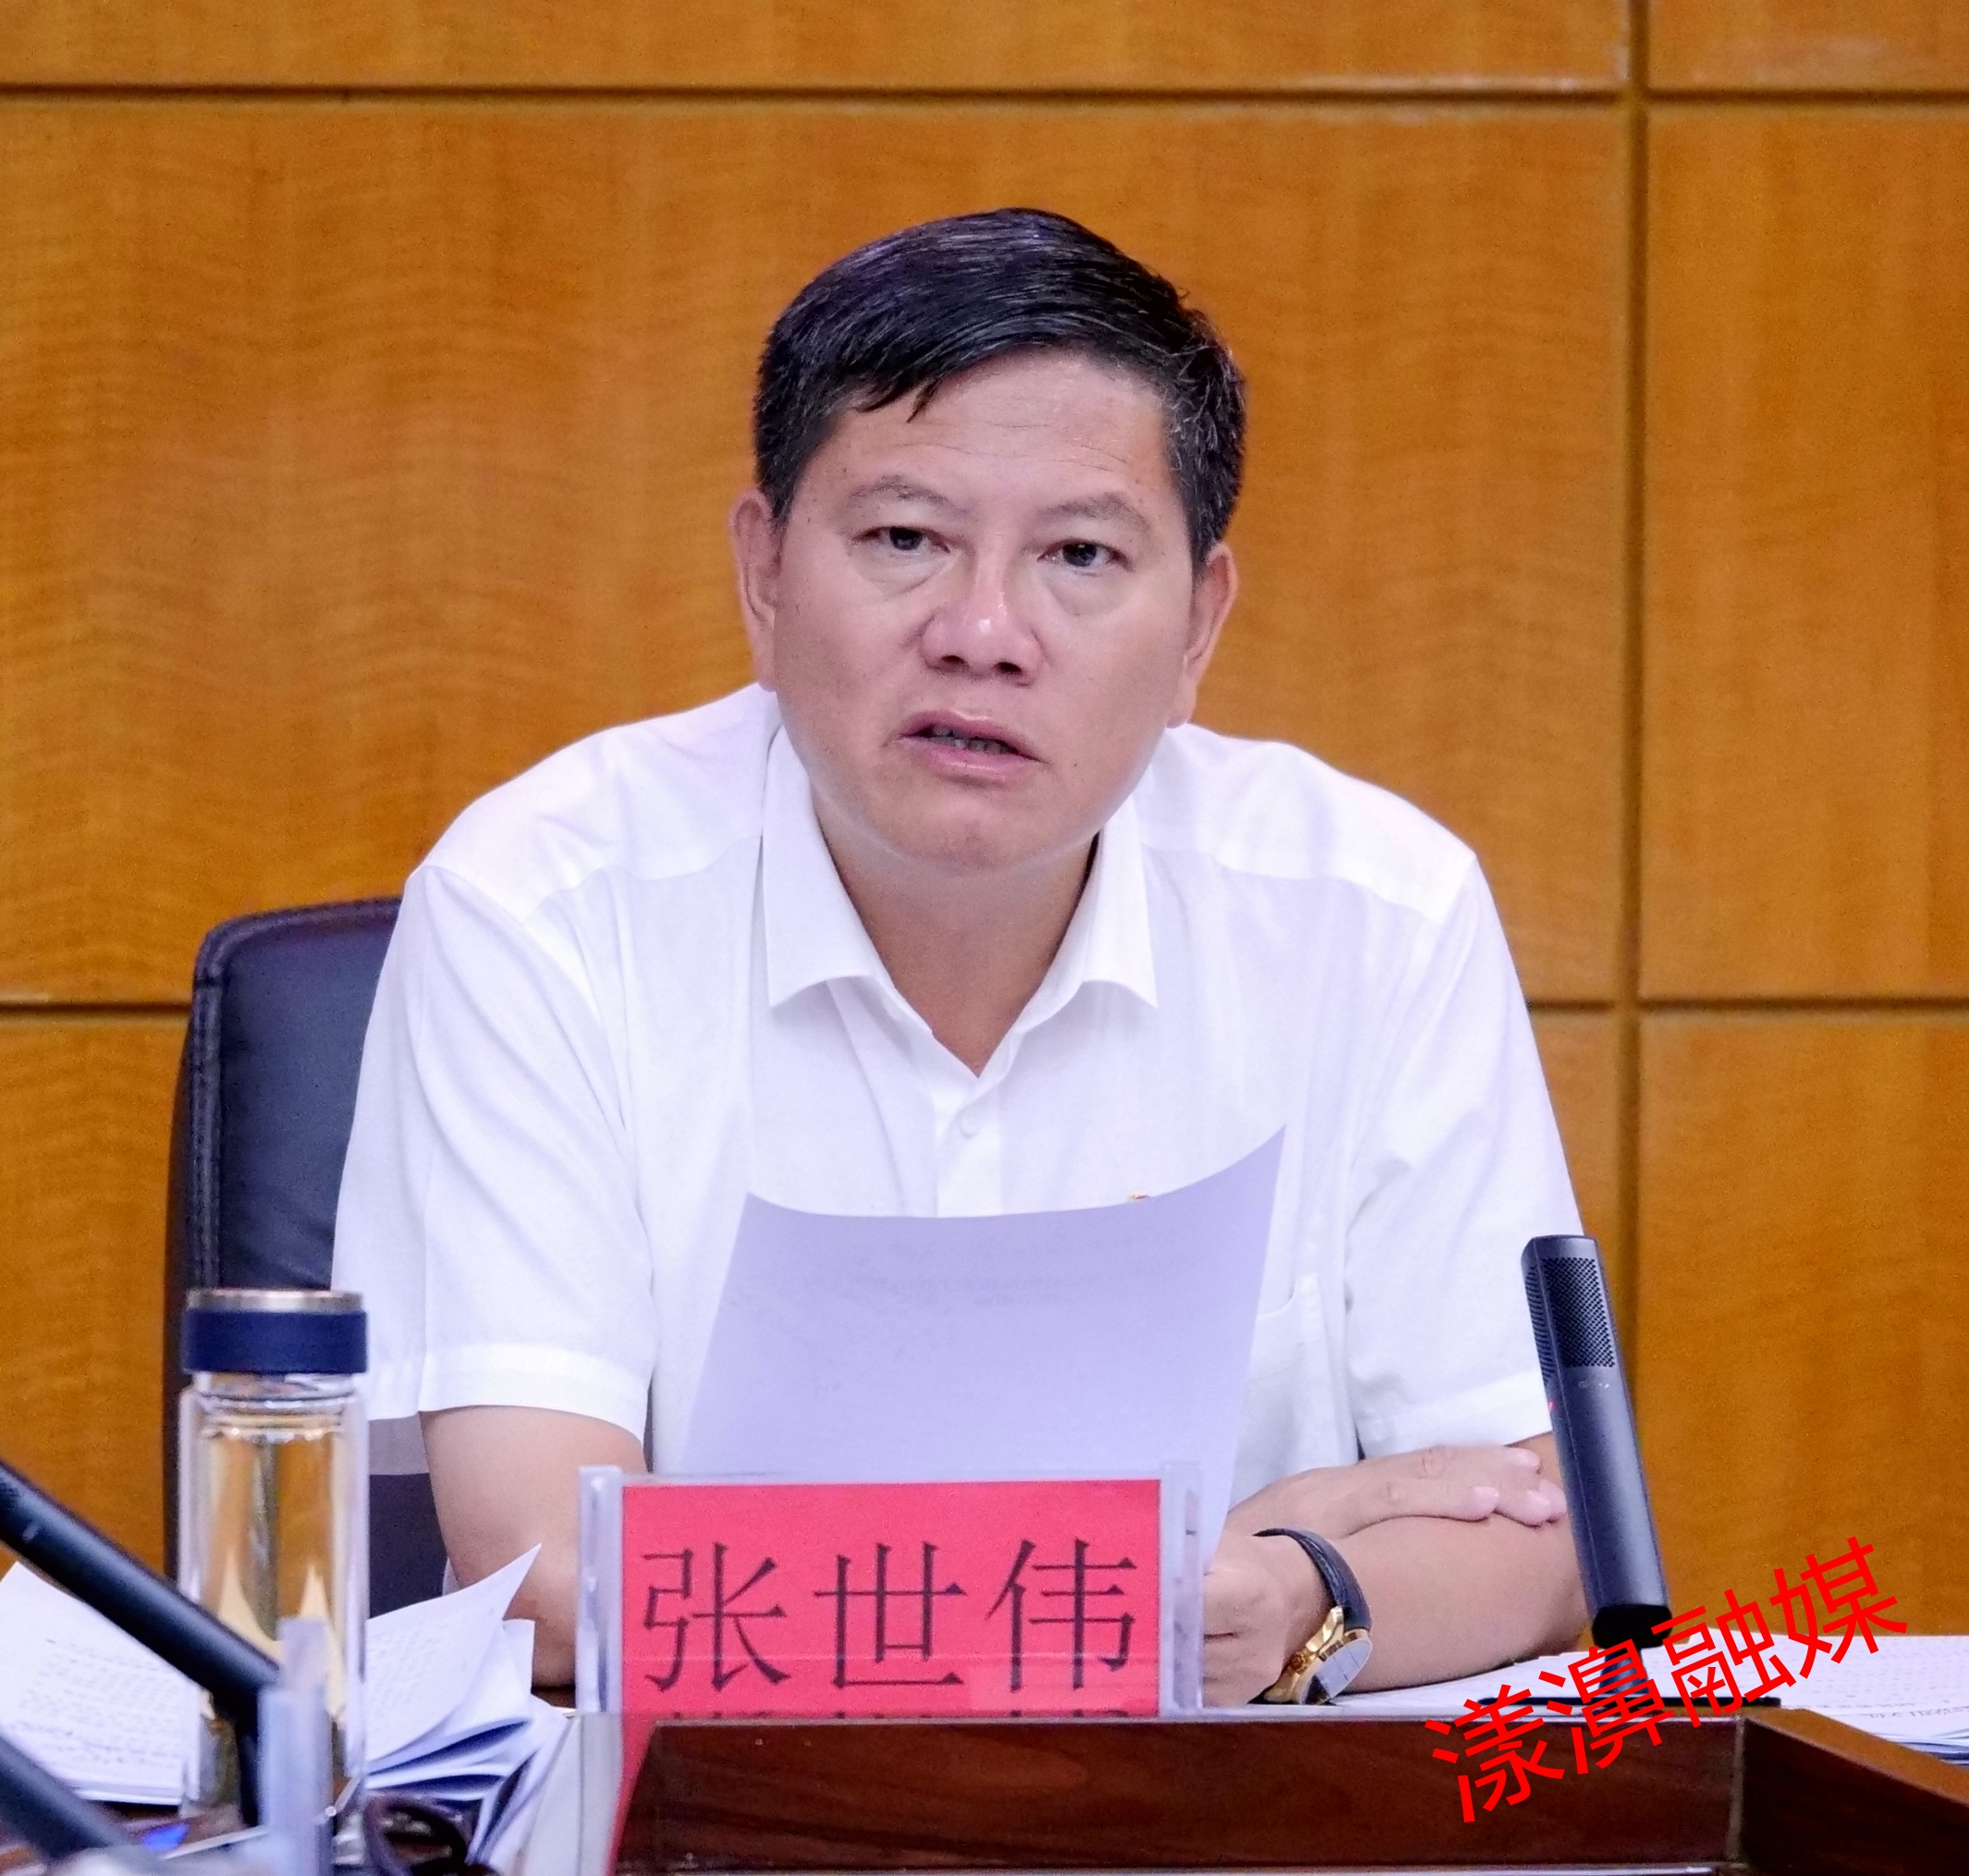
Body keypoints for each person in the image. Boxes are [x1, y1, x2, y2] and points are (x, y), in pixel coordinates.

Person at [332, 207, 1586, 1702]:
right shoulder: (539, 902)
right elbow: (543, 1574)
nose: (982, 631)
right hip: (708, 1812)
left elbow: (1544, 1532)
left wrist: (1296, 1593)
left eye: (1079, 553)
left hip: (1219, 1816)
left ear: (1197, 627)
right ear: (763, 573)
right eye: (905, 539)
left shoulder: (1372, 907)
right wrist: (1192, 1559)